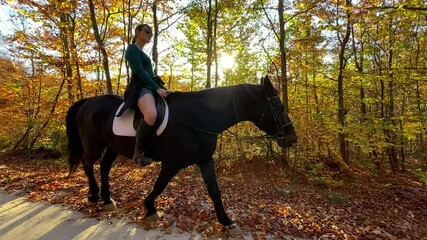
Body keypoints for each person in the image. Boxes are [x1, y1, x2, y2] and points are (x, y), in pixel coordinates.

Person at [124, 23, 171, 166]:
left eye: (151, 33)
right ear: (137, 31)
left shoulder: (145, 55)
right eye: (147, 31)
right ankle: (138, 154)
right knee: (151, 115)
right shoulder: (132, 49)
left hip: (151, 87)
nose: (150, 34)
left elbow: (149, 74)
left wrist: (160, 86)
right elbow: (139, 71)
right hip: (140, 88)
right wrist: (157, 89)